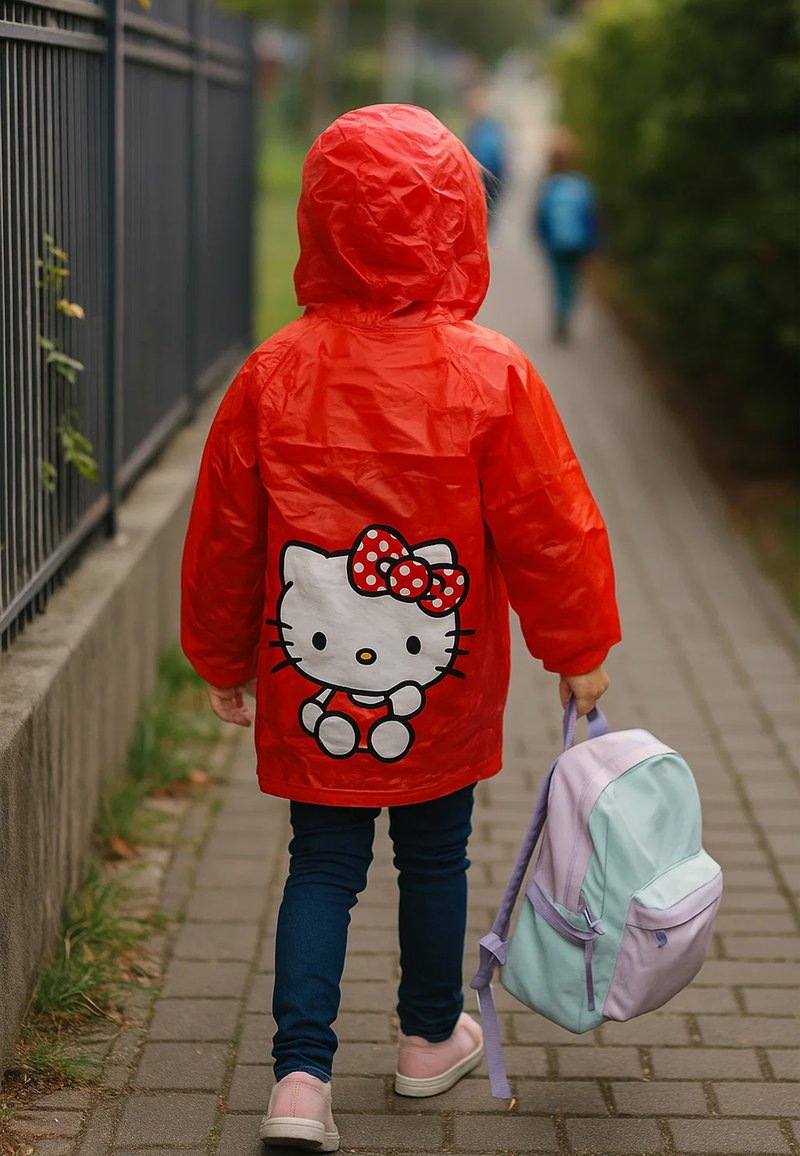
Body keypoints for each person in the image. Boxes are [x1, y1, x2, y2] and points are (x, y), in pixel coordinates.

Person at [181, 104, 620, 1153]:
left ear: (320, 222)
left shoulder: (271, 373)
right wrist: (579, 648)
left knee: (320, 863)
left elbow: (228, 529)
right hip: (445, 686)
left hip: (307, 686)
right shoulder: (491, 373)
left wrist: (220, 651)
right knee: (435, 854)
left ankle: (298, 1079)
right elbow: (548, 522)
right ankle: (428, 1039)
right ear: (457, 222)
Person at [534, 129, 599, 341]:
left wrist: (542, 239)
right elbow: (590, 218)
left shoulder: (549, 186)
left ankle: (561, 312)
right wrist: (594, 245)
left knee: (559, 279)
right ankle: (567, 310)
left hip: (556, 244)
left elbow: (540, 218)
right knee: (573, 280)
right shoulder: (581, 185)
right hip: (578, 243)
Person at [463, 86, 507, 225]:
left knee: (480, 219)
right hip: (488, 178)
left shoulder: (481, 128)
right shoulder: (488, 127)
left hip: (482, 177)